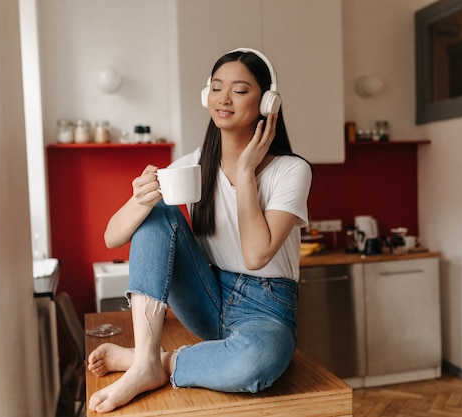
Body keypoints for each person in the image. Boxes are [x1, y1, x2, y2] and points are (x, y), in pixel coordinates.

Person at [87, 48, 313, 414]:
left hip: (267, 309)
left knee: (256, 363)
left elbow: (257, 254)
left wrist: (244, 174)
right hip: (207, 297)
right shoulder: (192, 166)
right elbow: (112, 237)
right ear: (206, 95)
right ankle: (145, 359)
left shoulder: (290, 171)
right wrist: (139, 200)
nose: (224, 98)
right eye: (217, 87)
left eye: (240, 90)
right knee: (158, 211)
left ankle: (151, 364)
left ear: (268, 102)